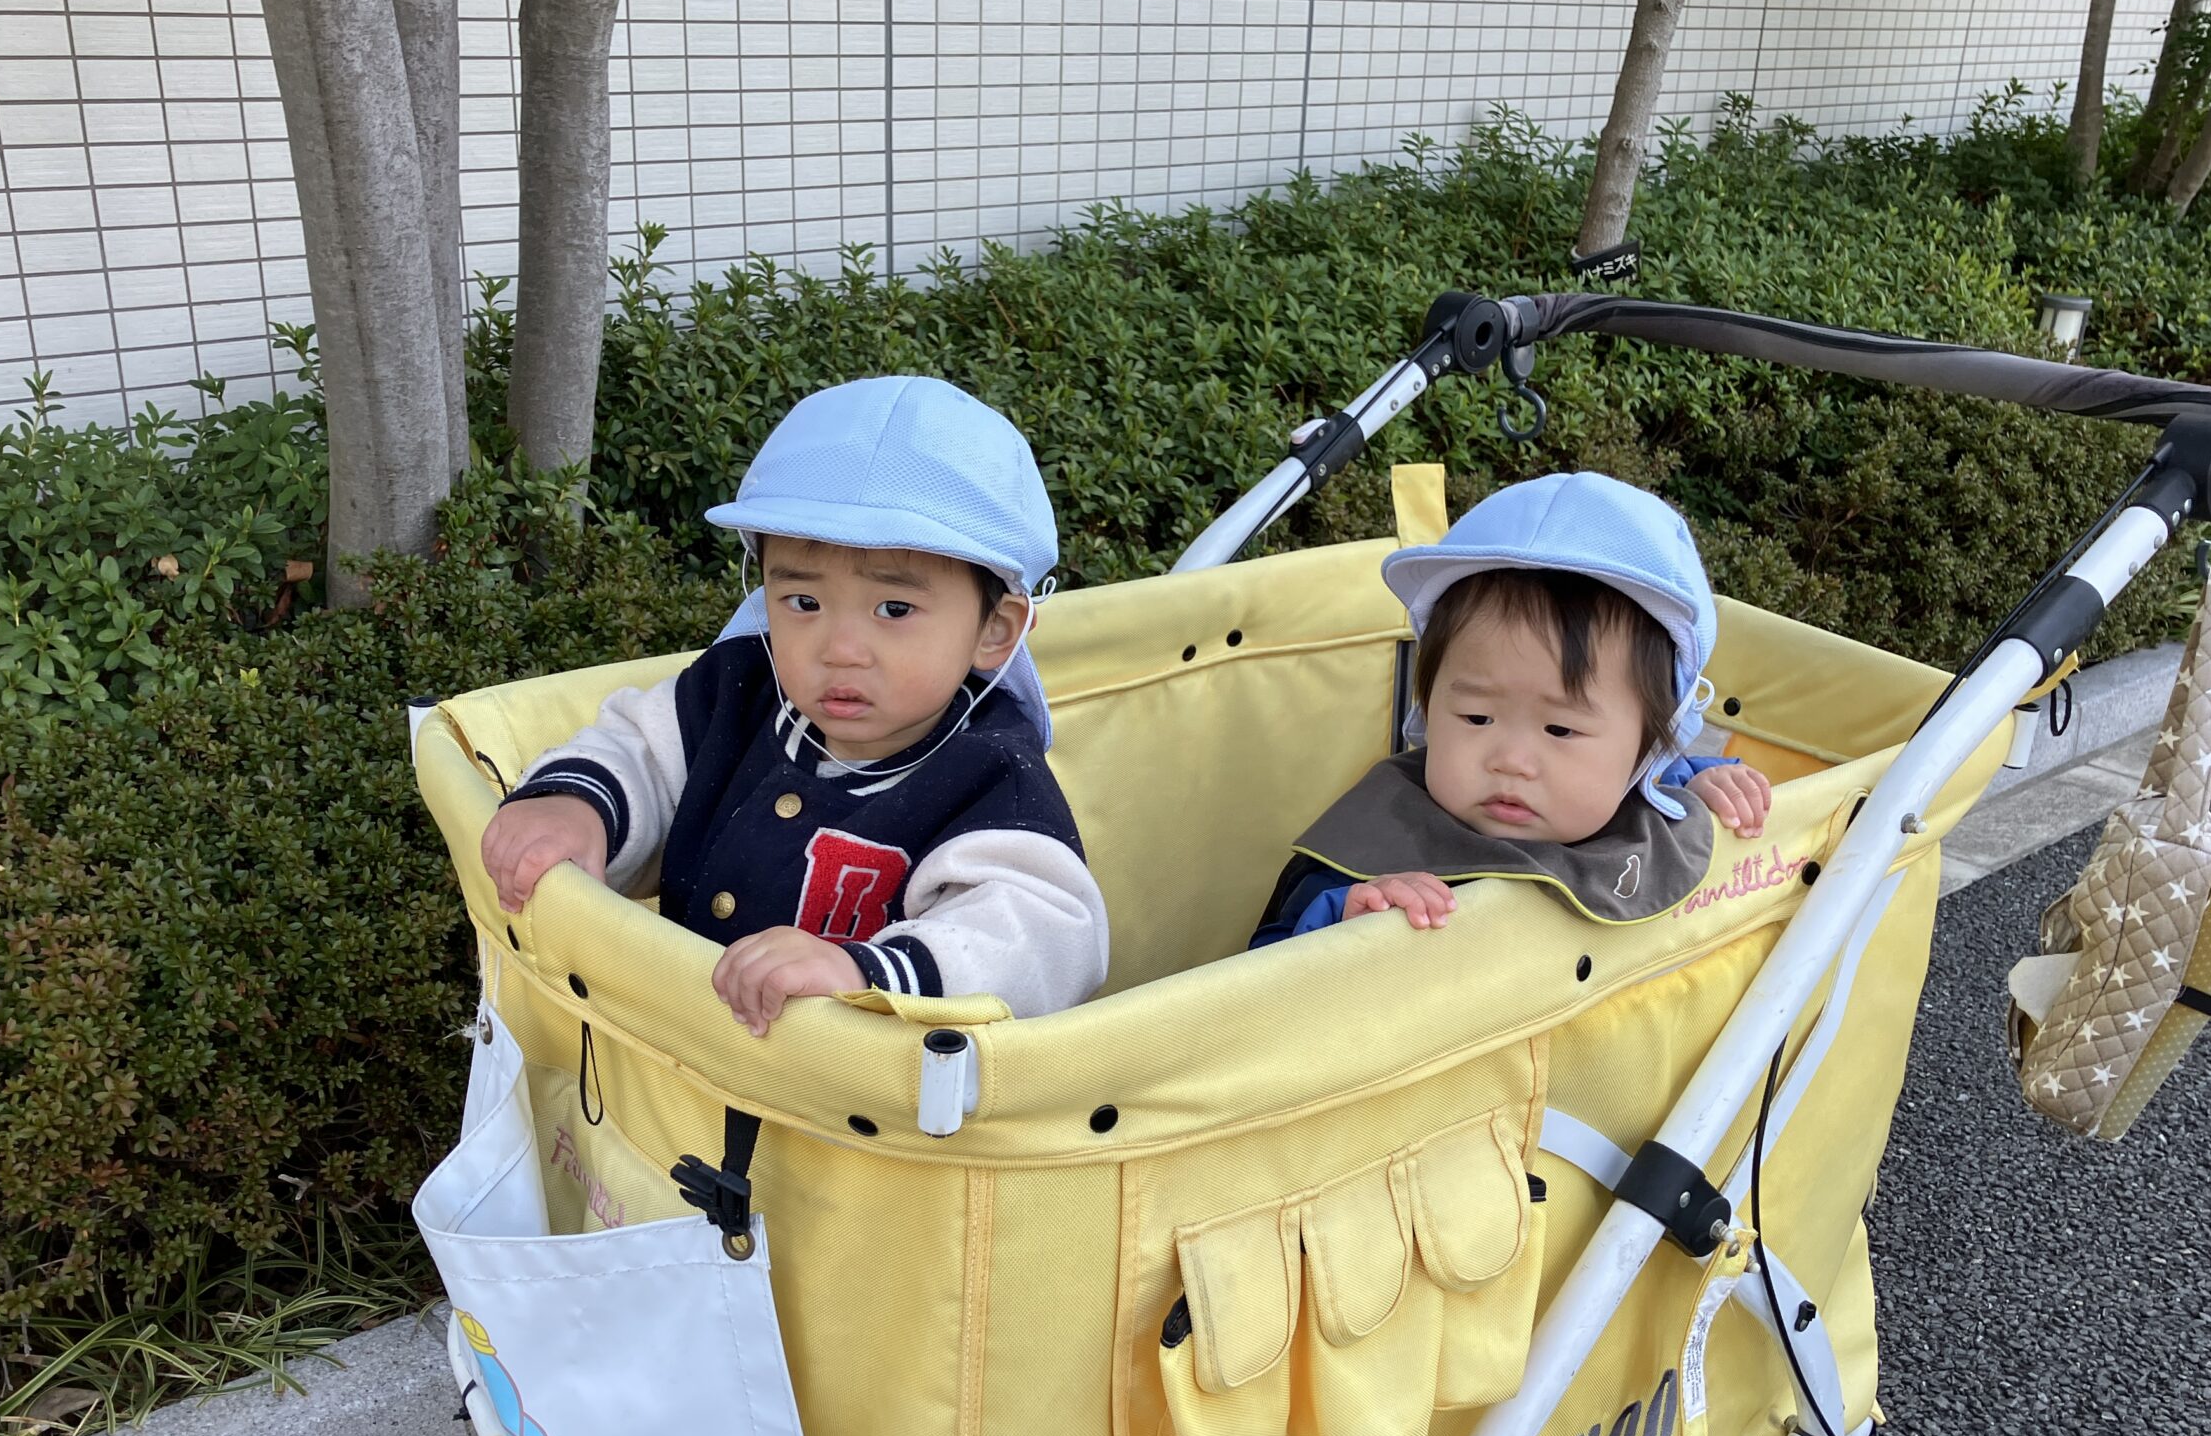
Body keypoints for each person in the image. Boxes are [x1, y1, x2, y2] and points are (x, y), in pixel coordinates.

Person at [481, 376, 1109, 1034]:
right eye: (803, 602)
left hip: (851, 1091)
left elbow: (1045, 937)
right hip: (677, 1056)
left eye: (895, 609)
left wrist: (866, 972)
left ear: (996, 630)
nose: (840, 650)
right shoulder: (739, 692)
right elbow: (642, 751)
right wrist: (577, 806)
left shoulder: (991, 778)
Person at [1251, 472, 1771, 946]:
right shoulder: (1373, 837)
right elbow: (1253, 980)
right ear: (1429, 708)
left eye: (1560, 729)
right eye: (1477, 718)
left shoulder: (1647, 789)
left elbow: (1668, 778)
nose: (1511, 761)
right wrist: (1341, 918)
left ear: (1650, 747)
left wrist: (1704, 780)